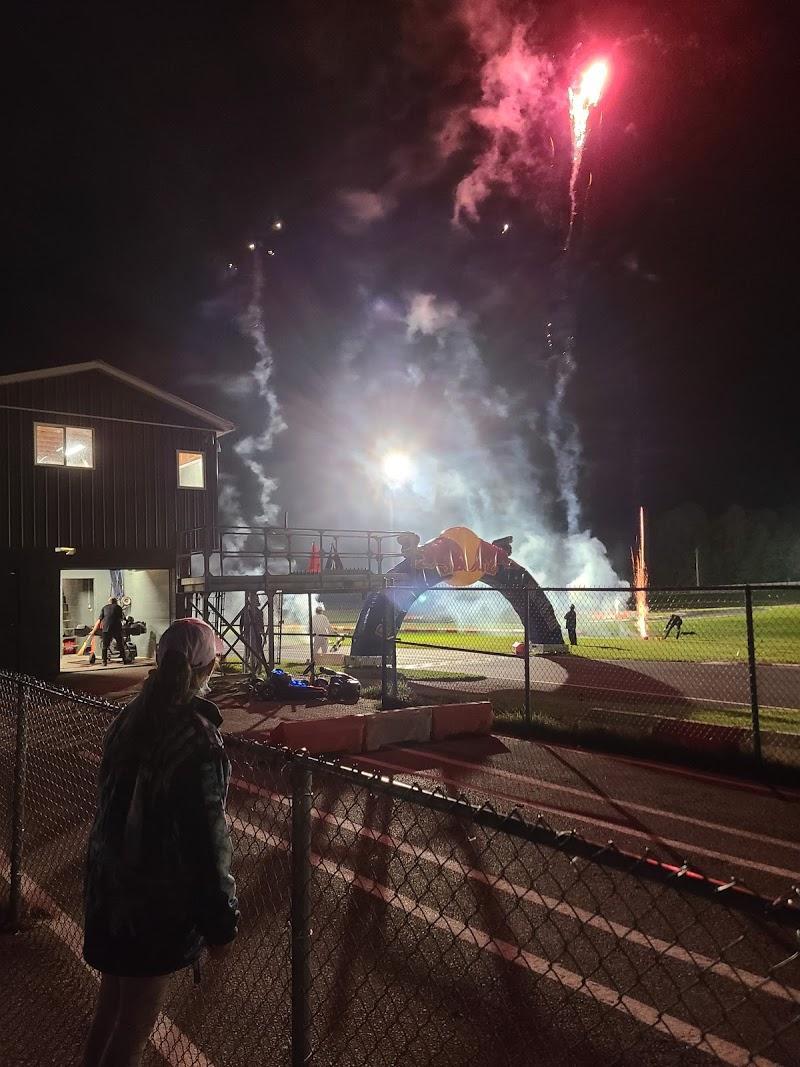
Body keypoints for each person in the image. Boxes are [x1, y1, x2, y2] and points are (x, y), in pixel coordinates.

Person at [82, 618, 239, 1067]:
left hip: (107, 889)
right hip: (152, 905)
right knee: (132, 1030)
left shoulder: (131, 716)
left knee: (110, 1011)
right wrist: (221, 923)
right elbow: (207, 841)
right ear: (208, 668)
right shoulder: (197, 737)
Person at [98, 597, 128, 667]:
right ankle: (124, 660)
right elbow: (121, 618)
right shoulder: (118, 607)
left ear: (109, 602)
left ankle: (104, 662)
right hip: (116, 628)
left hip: (106, 628)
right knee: (120, 644)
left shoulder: (104, 608)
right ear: (116, 602)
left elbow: (100, 619)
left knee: (105, 646)